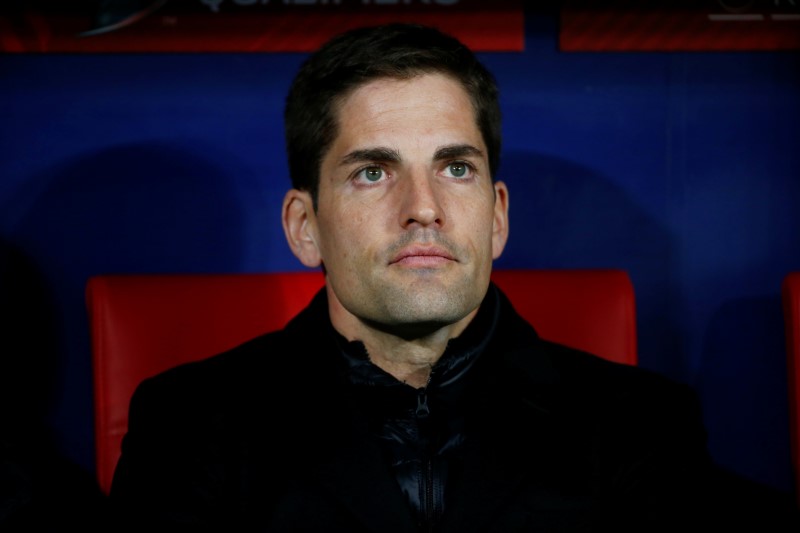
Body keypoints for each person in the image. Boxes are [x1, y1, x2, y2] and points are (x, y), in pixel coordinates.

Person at [107, 22, 791, 531]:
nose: (423, 208)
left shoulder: (640, 423)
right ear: (302, 225)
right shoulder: (189, 422)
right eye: (373, 172)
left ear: (496, 215)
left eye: (455, 167)